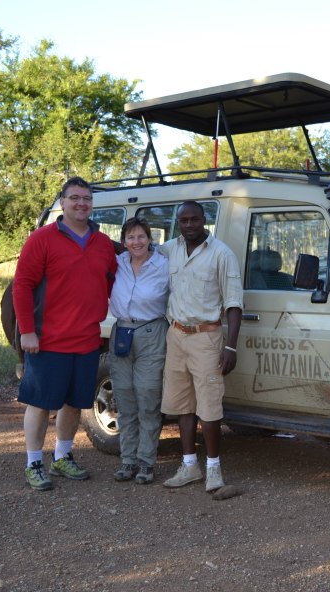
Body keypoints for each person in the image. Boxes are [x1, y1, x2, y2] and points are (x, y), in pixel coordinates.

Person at [12, 176, 117, 491]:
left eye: (87, 198)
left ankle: (62, 457)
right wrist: (27, 332)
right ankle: (33, 463)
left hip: (86, 340)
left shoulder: (102, 244)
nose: (81, 203)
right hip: (47, 341)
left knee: (73, 403)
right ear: (62, 202)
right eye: (75, 198)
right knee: (41, 403)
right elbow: (22, 286)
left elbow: (113, 283)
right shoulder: (42, 239)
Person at [160, 200, 243, 492]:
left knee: (209, 407)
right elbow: (135, 249)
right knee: (183, 405)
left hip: (207, 337)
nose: (189, 225)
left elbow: (234, 303)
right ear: (178, 223)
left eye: (194, 219)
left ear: (204, 219)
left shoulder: (221, 254)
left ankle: (213, 470)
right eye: (184, 221)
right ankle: (189, 466)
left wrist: (230, 347)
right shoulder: (169, 249)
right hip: (176, 335)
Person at [108, 217, 170, 484]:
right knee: (124, 398)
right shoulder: (118, 263)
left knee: (147, 397)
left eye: (141, 236)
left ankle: (146, 462)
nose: (136, 242)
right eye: (131, 237)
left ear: (150, 239)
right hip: (121, 332)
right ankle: (127, 460)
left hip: (151, 332)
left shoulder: (163, 265)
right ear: (123, 242)